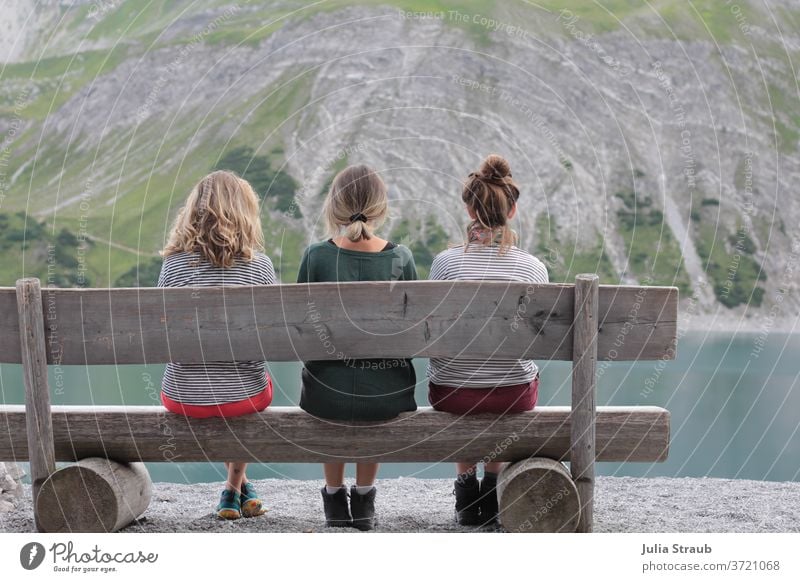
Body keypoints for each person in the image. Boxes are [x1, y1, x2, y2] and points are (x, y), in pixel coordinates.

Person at [427, 154, 549, 527]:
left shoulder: (446, 264)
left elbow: (433, 333)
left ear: (468, 208)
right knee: (513, 372)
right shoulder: (533, 268)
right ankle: (494, 483)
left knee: (458, 369)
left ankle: (466, 487)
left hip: (452, 392)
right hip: (513, 394)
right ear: (512, 210)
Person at [297, 164, 418, 531]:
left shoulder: (317, 256)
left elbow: (302, 329)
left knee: (329, 378)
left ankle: (334, 498)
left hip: (325, 394)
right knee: (375, 386)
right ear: (380, 207)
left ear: (334, 206)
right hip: (387, 392)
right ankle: (364, 498)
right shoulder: (401, 258)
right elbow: (410, 335)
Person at [158, 170, 276, 520]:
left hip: (182, 394)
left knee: (216, 386)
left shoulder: (173, 266)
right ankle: (232, 489)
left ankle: (236, 489)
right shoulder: (260, 267)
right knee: (245, 385)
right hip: (246, 397)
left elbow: (163, 334)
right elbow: (267, 340)